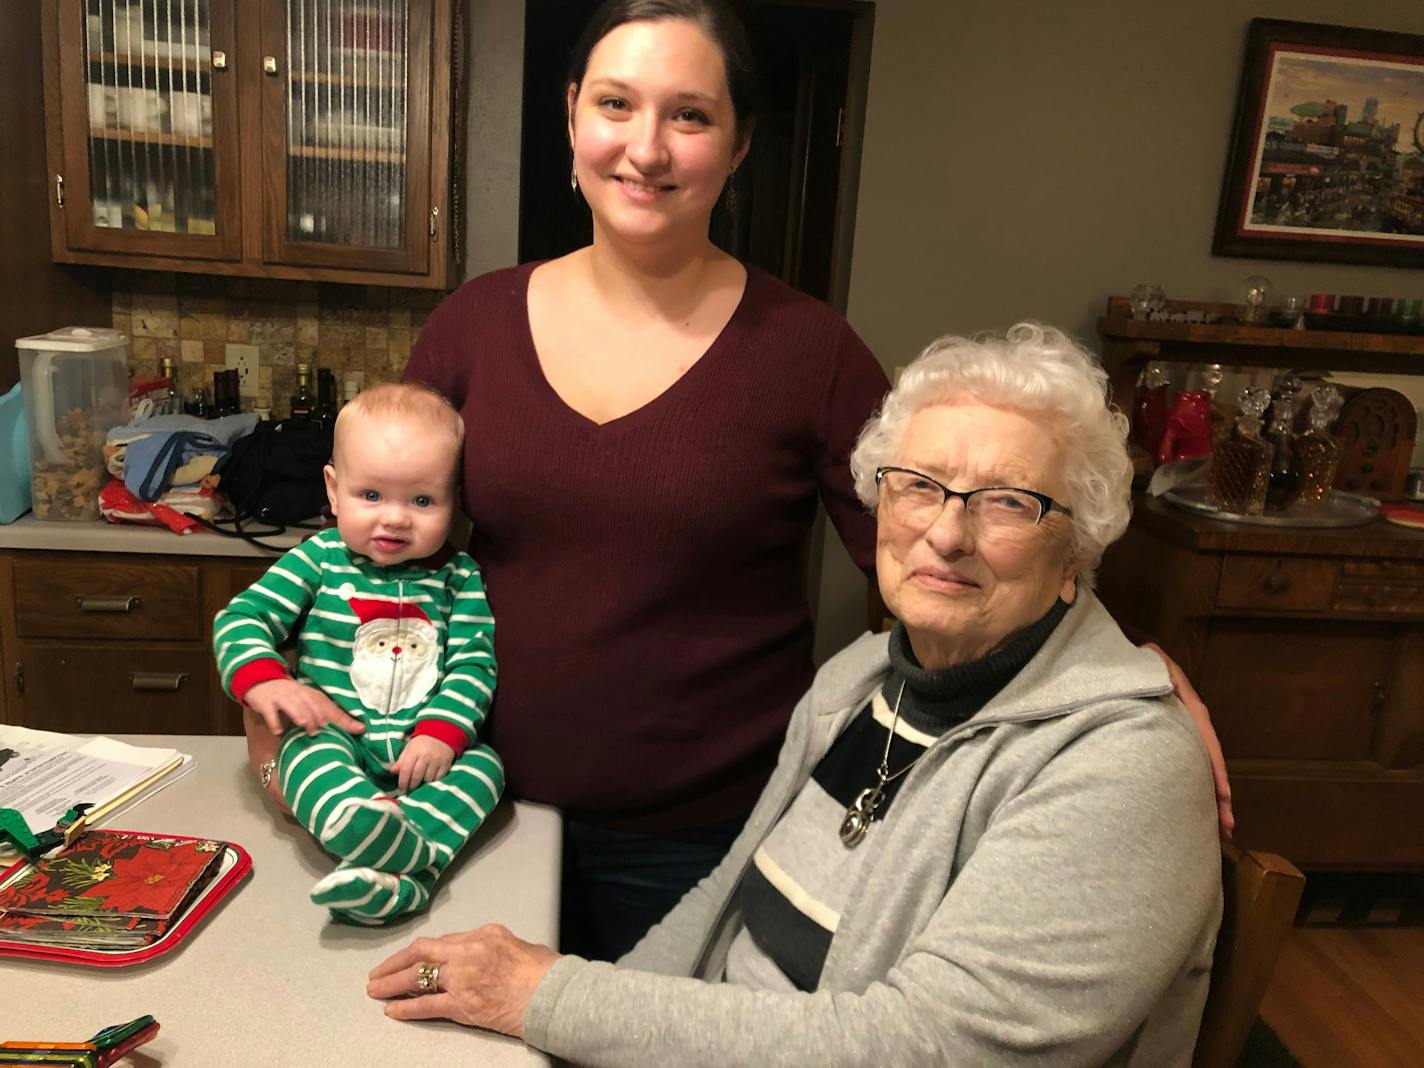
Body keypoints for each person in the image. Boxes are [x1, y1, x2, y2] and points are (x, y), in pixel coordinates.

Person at [241, 0, 1232, 958]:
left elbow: (945, 558)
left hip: (696, 836)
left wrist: (1113, 665)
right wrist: (274, 685)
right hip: (461, 796)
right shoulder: (471, 327)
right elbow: (372, 548)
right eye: (616, 104)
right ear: (571, 114)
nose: (647, 147)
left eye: (690, 115)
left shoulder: (810, 353)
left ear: (740, 143)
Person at [366, 324, 1224, 1066]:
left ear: (1077, 548)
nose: (947, 532)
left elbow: (932, 1047)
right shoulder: (864, 678)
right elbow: (722, 907)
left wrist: (550, 997)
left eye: (1008, 502)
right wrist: (574, 1022)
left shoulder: (1125, 766)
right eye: (918, 484)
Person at [214, 383, 503, 924]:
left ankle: (398, 870)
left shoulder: (458, 578)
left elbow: (473, 665)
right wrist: (267, 681)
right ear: (333, 487)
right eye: (371, 496)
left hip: (424, 754)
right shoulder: (318, 558)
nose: (394, 518)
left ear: (453, 500)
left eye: (422, 500)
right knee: (304, 756)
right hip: (334, 736)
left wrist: (443, 733)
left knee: (486, 766)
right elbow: (242, 618)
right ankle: (379, 835)